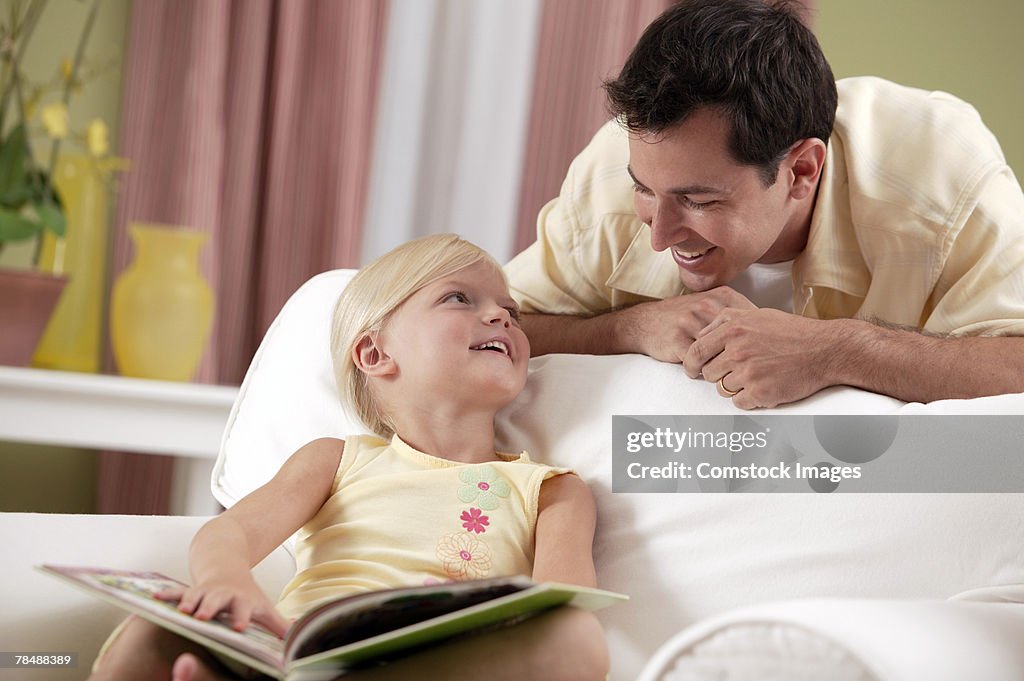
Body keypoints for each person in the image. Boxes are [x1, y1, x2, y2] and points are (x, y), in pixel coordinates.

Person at [89, 234, 607, 681]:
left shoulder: (551, 489)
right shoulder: (335, 460)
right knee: (148, 631)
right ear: (374, 353)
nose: (500, 315)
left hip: (437, 664)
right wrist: (227, 581)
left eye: (511, 313)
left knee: (576, 638)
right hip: (293, 655)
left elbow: (561, 603)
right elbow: (231, 532)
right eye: (458, 299)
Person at [505, 0, 1024, 409]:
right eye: (645, 190)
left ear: (800, 171)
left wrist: (835, 351)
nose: (659, 236)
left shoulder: (945, 179)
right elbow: (500, 328)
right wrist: (630, 329)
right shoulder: (612, 169)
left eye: (699, 200)